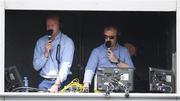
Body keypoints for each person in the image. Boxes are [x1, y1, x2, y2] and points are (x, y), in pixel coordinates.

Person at [83, 25, 134, 91]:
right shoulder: (97, 51)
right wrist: (86, 85)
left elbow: (131, 70)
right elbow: (90, 69)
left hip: (120, 89)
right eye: (106, 37)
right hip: (101, 90)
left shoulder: (124, 51)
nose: (108, 39)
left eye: (111, 37)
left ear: (117, 37)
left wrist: (116, 60)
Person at [33, 15, 75, 93]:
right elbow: (36, 66)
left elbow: (65, 66)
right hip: (44, 81)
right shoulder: (41, 41)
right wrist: (45, 54)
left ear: (59, 26)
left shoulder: (67, 42)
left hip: (62, 81)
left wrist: (56, 84)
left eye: (52, 25)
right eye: (48, 26)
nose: (50, 28)